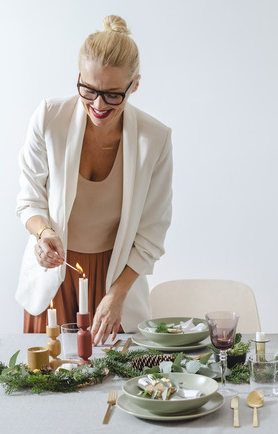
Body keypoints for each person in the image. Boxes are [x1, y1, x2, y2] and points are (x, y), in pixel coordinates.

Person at [15, 14, 173, 346]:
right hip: (54, 275)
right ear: (78, 77)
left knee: (113, 379)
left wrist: (117, 295)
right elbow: (29, 199)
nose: (98, 105)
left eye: (113, 94)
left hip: (116, 277)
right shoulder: (48, 118)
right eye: (88, 89)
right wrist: (43, 233)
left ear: (135, 85)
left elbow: (152, 232)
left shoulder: (154, 139)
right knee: (44, 383)